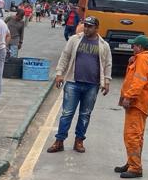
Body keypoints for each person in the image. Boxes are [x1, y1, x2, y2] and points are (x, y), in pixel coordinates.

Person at [47, 16, 111, 154]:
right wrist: (59, 73)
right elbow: (65, 56)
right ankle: (59, 141)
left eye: (90, 26)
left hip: (92, 86)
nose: (87, 28)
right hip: (73, 83)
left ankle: (79, 141)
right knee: (67, 113)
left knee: (85, 114)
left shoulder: (103, 45)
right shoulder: (74, 39)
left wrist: (106, 81)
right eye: (86, 25)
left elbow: (107, 64)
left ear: (97, 28)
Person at [116, 34, 148, 179]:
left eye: (134, 45)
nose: (132, 47)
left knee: (132, 135)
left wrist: (129, 97)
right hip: (140, 103)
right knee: (136, 135)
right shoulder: (144, 59)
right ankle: (131, 162)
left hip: (137, 103)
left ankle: (135, 167)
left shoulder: (143, 59)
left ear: (140, 47)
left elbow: (138, 81)